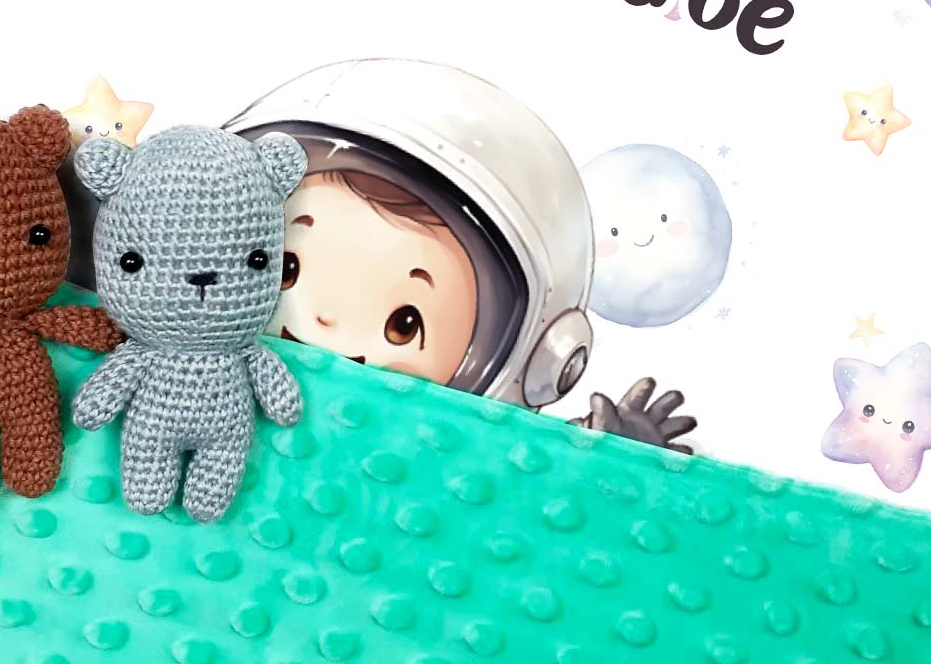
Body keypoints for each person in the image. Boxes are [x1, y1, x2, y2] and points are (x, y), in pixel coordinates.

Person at [223, 58, 696, 450]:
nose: (323, 321)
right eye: (285, 272)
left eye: (404, 324)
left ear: (541, 362)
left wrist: (614, 459)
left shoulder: (455, 464)